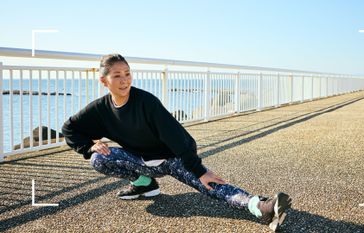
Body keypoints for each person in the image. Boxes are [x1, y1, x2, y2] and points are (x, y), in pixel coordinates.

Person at [61, 54, 292, 232]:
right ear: (104, 81)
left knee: (208, 184)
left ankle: (260, 207)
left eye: (127, 73)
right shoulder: (100, 109)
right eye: (117, 76)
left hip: (173, 157)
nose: (124, 80)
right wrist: (89, 145)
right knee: (99, 159)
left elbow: (176, 137)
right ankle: (145, 184)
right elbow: (69, 129)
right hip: (141, 160)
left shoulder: (146, 102)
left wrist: (198, 169)